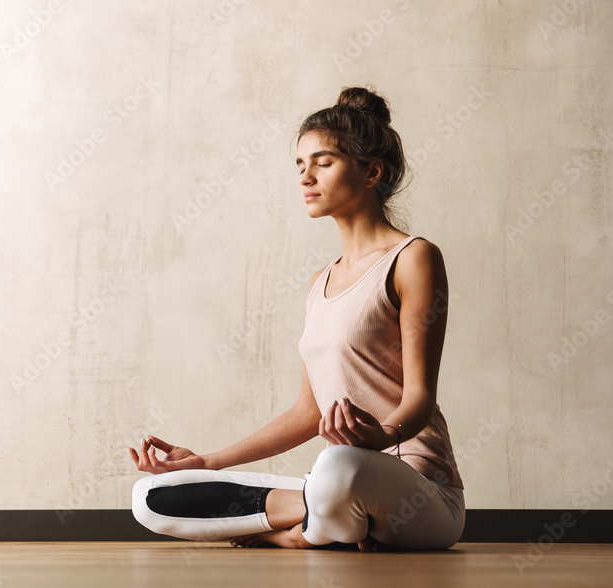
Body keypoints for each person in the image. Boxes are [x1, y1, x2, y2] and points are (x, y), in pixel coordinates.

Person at [128, 86, 465, 551]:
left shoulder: (413, 258)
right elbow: (308, 413)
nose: (306, 176)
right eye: (301, 165)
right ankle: (327, 523)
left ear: (372, 172)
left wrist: (382, 434)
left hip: (418, 491)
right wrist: (207, 463)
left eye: (323, 163)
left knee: (338, 466)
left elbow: (421, 396)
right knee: (150, 496)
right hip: (339, 490)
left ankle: (292, 533)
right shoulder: (320, 282)